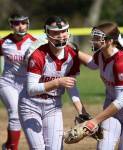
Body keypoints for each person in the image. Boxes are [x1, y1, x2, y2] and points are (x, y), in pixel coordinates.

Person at [18, 16, 88, 150]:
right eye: (55, 32)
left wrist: (81, 111)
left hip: (53, 105)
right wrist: (57, 82)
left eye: (63, 31)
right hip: (30, 105)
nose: (61, 35)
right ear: (47, 33)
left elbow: (71, 86)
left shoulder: (72, 55)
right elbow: (31, 89)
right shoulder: (38, 55)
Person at [78, 22, 123, 150]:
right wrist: (72, 50)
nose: (93, 41)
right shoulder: (101, 54)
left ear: (110, 41)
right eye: (93, 37)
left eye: (97, 38)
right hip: (112, 110)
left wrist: (94, 121)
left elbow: (121, 100)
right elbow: (92, 64)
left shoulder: (120, 62)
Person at [0, 13, 37, 150]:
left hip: (26, 85)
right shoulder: (4, 42)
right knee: (14, 114)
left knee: (23, 116)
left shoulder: (34, 42)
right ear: (11, 25)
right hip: (7, 82)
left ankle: (8, 145)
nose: (20, 26)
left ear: (28, 24)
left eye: (23, 23)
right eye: (16, 23)